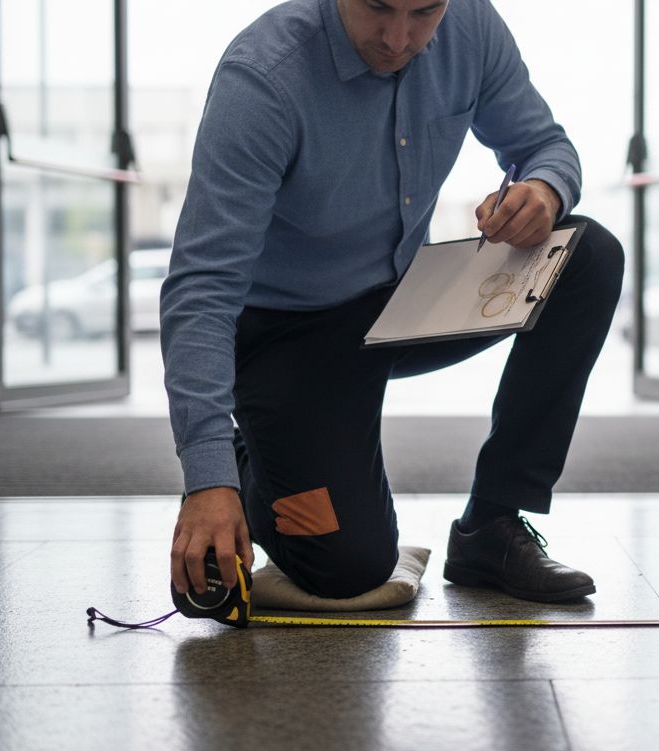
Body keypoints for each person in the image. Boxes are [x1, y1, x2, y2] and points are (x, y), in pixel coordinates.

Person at [161, 0, 624, 605]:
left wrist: (543, 188)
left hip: (406, 298)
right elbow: (201, 285)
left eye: (424, 12)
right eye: (377, 8)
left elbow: (545, 145)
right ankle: (251, 458)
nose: (399, 37)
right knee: (346, 564)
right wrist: (208, 477)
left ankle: (492, 524)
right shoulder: (263, 78)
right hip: (287, 336)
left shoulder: (471, 26)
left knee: (586, 256)